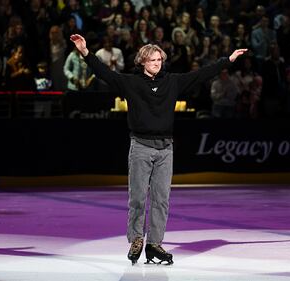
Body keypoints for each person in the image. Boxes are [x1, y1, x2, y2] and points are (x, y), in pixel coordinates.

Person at [70, 33, 247, 265]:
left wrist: (228, 60)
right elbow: (106, 74)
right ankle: (136, 239)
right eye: (152, 60)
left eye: (159, 60)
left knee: (161, 199)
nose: (157, 63)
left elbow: (201, 74)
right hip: (141, 147)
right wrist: (85, 52)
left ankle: (154, 244)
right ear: (142, 61)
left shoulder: (171, 81)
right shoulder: (131, 83)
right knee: (138, 198)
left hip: (165, 149)